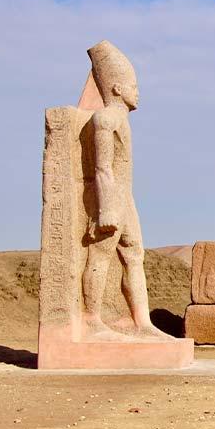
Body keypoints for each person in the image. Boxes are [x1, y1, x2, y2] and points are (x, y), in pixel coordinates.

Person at [80, 40, 169, 342]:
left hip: (125, 198)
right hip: (111, 199)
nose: (138, 91)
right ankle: (91, 318)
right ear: (116, 88)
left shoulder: (122, 122)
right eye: (134, 85)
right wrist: (106, 209)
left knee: (134, 256)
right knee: (101, 256)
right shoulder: (105, 119)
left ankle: (140, 321)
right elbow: (102, 168)